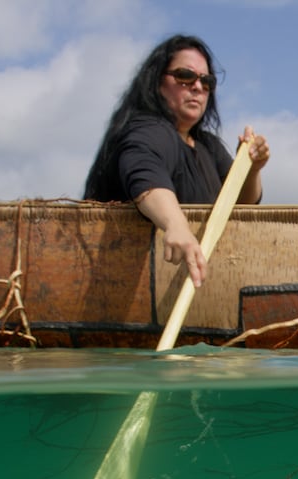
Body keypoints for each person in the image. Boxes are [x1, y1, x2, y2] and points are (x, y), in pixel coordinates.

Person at [83, 34, 270, 288]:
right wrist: (175, 225)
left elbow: (242, 204)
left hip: (203, 285)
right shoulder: (149, 131)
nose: (197, 87)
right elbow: (145, 174)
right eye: (185, 76)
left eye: (207, 81)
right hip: (130, 285)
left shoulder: (208, 146)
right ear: (158, 82)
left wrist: (249, 168)